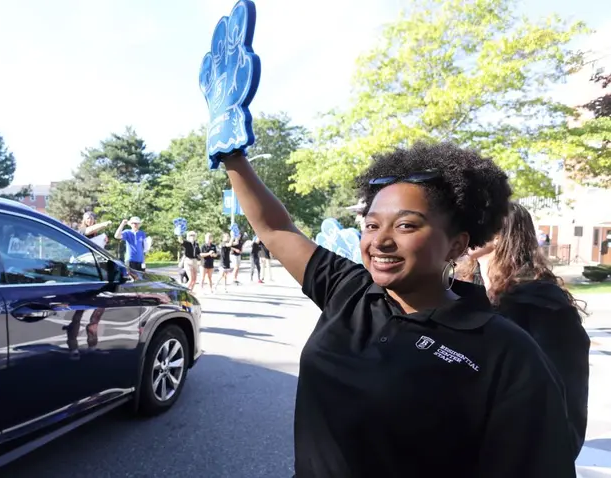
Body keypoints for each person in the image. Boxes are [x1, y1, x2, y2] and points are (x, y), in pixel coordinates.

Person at [223, 142, 576, 478]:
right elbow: (275, 229)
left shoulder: (506, 353)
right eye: (372, 225)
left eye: (406, 225)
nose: (380, 240)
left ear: (457, 244)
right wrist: (233, 156)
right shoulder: (350, 291)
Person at [484, 202, 590, 454]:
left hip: (523, 446)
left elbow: (564, 382)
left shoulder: (540, 300)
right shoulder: (468, 287)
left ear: (500, 236)